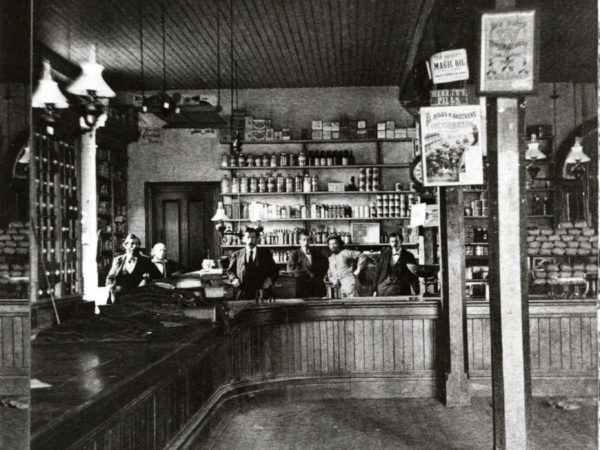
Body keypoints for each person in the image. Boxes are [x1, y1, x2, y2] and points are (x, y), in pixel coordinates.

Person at [105, 233, 162, 303]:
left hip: (139, 297)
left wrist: (147, 279)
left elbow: (158, 276)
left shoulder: (145, 261)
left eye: (137, 244)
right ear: (125, 245)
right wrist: (111, 287)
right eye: (131, 244)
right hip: (119, 296)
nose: (134, 246)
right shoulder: (118, 260)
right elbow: (110, 277)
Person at [227, 228, 279, 299]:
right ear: (244, 239)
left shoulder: (266, 254)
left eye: (253, 237)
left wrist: (269, 280)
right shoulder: (237, 255)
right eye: (248, 237)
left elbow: (275, 271)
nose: (250, 240)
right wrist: (234, 279)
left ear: (257, 239)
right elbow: (230, 271)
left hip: (262, 293)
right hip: (242, 293)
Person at [372, 232, 420, 296]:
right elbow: (377, 273)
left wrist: (416, 291)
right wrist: (374, 290)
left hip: (401, 287)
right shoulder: (384, 255)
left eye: (396, 241)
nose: (394, 244)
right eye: (392, 241)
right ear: (389, 243)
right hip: (383, 286)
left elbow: (413, 274)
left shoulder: (409, 256)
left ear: (401, 241)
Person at [286, 230, 328, 297]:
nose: (306, 242)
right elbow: (290, 270)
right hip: (301, 287)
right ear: (299, 241)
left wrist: (318, 277)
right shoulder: (294, 254)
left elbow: (324, 266)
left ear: (311, 241)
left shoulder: (317, 254)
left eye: (308, 240)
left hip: (316, 288)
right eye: (304, 240)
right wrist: (309, 273)